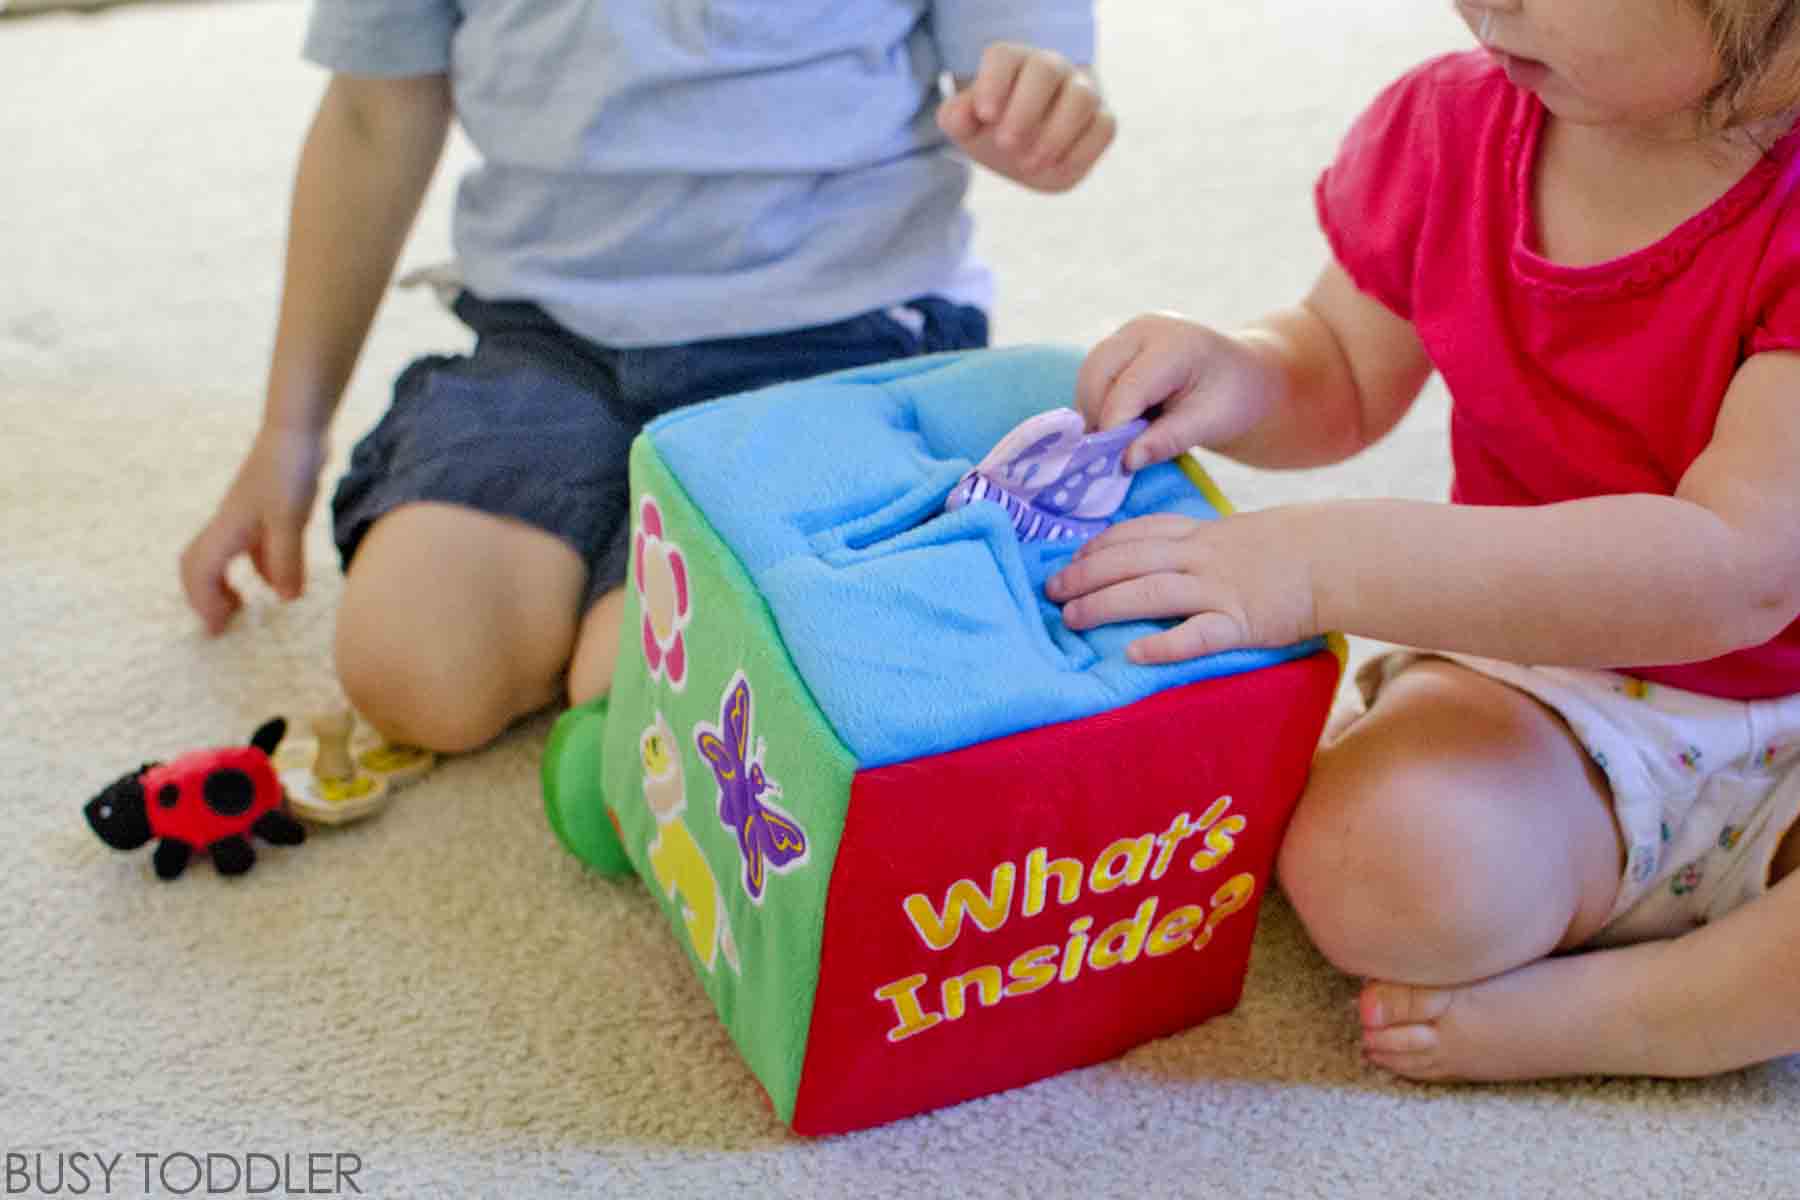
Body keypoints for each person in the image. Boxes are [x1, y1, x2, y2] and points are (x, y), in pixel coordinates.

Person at [1046, 0, 1800, 1082]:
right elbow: (1340, 371)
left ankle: (1659, 1014)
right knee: (1374, 867)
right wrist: (1240, 370)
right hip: (1543, 675)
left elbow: (1734, 574)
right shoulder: (1451, 129)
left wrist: (1317, 567)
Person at [180, 2, 1114, 755]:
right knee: (414, 669)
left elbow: (1036, 69)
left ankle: (635, 582)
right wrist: (288, 432)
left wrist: (1043, 113)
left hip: (831, 346)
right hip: (552, 338)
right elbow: (371, 116)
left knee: (664, 707)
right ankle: (611, 558)